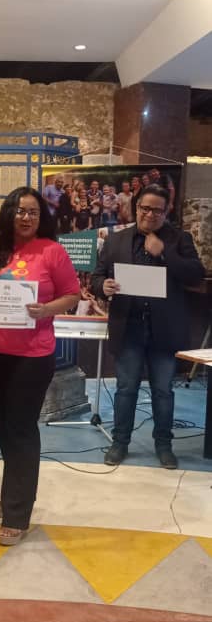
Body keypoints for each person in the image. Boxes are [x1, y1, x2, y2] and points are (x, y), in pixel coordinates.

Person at [0, 187, 80, 546]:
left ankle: (17, 513)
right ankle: (15, 493)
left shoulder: (52, 251)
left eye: (33, 212)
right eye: (20, 211)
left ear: (42, 218)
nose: (26, 217)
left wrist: (46, 310)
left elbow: (72, 294)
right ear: (9, 213)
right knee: (3, 426)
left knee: (21, 429)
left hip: (33, 356)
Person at [90, 184, 205, 469]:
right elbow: (97, 276)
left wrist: (165, 253)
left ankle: (164, 445)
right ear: (136, 208)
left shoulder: (179, 239)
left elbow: (195, 275)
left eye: (157, 210)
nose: (150, 214)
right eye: (145, 208)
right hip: (128, 327)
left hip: (164, 331)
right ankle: (120, 442)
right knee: (126, 389)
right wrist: (102, 286)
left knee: (163, 390)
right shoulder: (117, 240)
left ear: (166, 212)